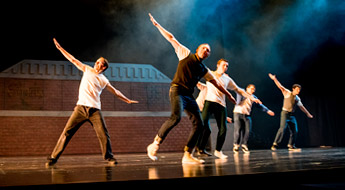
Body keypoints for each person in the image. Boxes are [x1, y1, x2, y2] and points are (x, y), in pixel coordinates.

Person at [146, 13, 236, 164]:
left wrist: (229, 95)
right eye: (204, 48)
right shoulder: (186, 54)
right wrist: (157, 25)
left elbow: (217, 84)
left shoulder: (204, 70)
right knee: (176, 118)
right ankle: (154, 144)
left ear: (208, 55)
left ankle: (188, 154)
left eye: (208, 50)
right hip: (176, 91)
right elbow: (171, 38)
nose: (206, 51)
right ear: (197, 49)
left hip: (188, 96)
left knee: (200, 125)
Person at [46, 38, 138, 166]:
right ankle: (53, 157)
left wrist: (127, 100)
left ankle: (109, 158)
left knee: (103, 134)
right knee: (67, 132)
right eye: (96, 62)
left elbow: (115, 92)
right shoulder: (87, 69)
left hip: (94, 110)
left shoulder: (103, 80)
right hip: (80, 108)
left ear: (103, 66)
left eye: (99, 63)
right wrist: (61, 49)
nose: (96, 64)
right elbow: (73, 60)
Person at [196, 59, 261, 159]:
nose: (225, 67)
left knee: (223, 128)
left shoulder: (227, 79)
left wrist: (251, 97)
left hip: (221, 105)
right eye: (223, 65)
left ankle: (218, 151)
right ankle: (197, 148)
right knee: (202, 124)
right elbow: (197, 73)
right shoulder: (209, 73)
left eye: (227, 66)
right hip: (209, 102)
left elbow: (238, 89)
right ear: (218, 65)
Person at [268, 73, 313, 151]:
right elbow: (280, 86)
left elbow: (301, 107)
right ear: (293, 89)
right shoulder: (287, 93)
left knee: (295, 130)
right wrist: (274, 79)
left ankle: (291, 145)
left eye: (299, 89)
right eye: (297, 89)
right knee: (282, 128)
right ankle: (275, 144)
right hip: (285, 113)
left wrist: (308, 113)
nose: (298, 91)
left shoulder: (297, 98)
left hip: (291, 116)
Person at [233, 84, 275, 154]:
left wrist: (267, 110)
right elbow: (238, 90)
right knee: (238, 130)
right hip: (238, 113)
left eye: (253, 89)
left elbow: (260, 105)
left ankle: (244, 145)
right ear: (247, 89)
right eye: (251, 89)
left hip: (247, 115)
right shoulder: (242, 93)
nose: (252, 90)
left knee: (248, 131)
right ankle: (236, 145)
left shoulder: (254, 97)